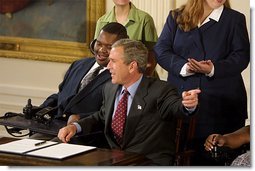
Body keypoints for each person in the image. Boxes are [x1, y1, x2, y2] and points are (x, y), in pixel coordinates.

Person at [58, 39, 201, 165]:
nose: (108, 66)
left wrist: (188, 105)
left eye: (113, 61)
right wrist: (75, 127)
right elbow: (101, 116)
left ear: (132, 66)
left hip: (147, 162)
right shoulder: (109, 88)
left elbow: (175, 107)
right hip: (114, 161)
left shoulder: (160, 90)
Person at [154, 0, 250, 165]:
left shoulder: (234, 19)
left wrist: (212, 68)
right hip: (182, 101)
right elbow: (161, 50)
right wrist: (185, 67)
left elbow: (241, 57)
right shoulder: (176, 16)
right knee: (180, 157)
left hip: (221, 105)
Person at [30, 22, 129, 147]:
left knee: (44, 154)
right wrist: (39, 109)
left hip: (85, 135)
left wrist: (78, 119)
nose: (102, 50)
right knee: (25, 147)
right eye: (99, 44)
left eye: (109, 47)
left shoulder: (118, 76)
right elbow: (61, 95)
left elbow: (110, 113)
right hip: (55, 126)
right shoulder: (78, 65)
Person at [94, 0, 158, 77]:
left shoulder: (145, 19)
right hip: (109, 77)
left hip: (140, 77)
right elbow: (97, 53)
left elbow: (153, 55)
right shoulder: (102, 21)